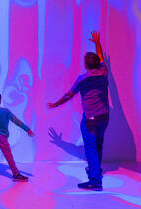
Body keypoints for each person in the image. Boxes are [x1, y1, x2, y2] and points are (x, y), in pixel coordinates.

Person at [47, 31, 109, 191]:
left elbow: (69, 95)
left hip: (91, 120)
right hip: (104, 117)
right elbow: (101, 56)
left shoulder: (83, 79)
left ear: (87, 65)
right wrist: (97, 43)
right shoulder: (104, 71)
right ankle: (96, 170)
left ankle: (95, 181)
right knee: (98, 144)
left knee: (91, 147)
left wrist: (55, 104)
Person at [0, 80, 35, 184]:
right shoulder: (5, 111)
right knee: (8, 156)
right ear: (0, 100)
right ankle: (16, 174)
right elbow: (17, 121)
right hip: (2, 137)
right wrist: (27, 129)